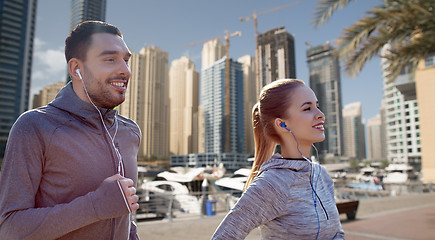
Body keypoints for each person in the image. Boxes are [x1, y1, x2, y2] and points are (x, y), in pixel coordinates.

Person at [0, 21, 141, 239]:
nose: (124, 70)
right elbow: (9, 229)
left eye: (126, 60)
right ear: (77, 69)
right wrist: (95, 206)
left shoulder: (130, 131)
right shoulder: (34, 127)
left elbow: (125, 219)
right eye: (110, 59)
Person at [211, 79, 345, 239]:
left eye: (317, 106)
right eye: (308, 108)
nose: (320, 115)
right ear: (282, 124)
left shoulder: (321, 175)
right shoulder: (273, 183)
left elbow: (337, 232)